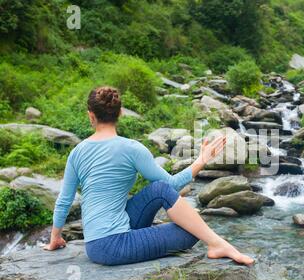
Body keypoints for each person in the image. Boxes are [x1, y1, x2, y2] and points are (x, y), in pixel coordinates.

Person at [44, 86, 254, 266]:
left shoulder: (77, 152)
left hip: (98, 242)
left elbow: (64, 201)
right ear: (120, 114)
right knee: (192, 232)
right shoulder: (133, 148)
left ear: (91, 115)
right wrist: (202, 159)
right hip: (113, 246)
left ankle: (216, 243)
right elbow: (173, 184)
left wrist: (55, 238)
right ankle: (217, 244)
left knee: (159, 191)